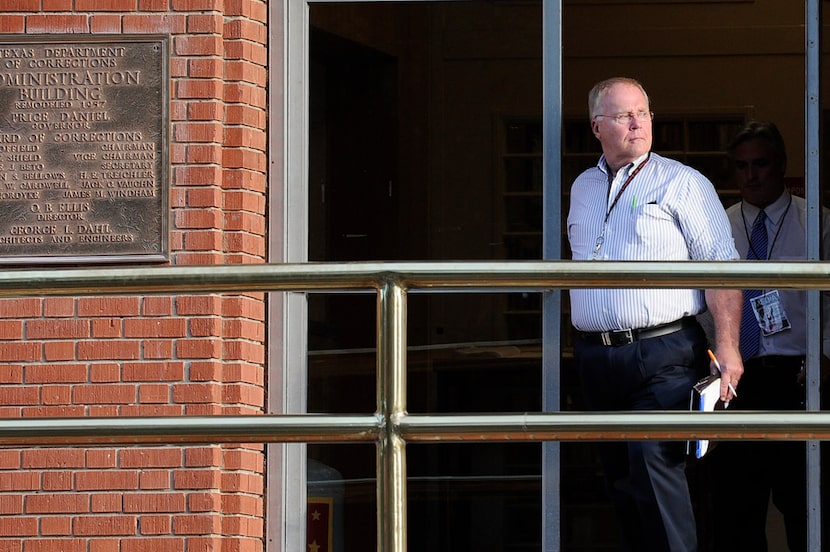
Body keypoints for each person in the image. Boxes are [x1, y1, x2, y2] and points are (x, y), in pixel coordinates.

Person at [566, 76, 744, 552]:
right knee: (621, 482)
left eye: (643, 112)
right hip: (596, 357)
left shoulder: (682, 182)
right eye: (624, 115)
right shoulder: (582, 185)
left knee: (654, 466)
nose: (637, 123)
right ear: (597, 126)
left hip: (663, 351)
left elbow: (721, 269)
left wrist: (727, 345)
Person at [705, 121, 830, 552]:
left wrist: (824, 358)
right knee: (737, 512)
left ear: (781, 165)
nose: (751, 175)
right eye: (741, 167)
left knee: (807, 509)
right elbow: (703, 301)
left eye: (760, 164)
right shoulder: (718, 226)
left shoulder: (816, 221)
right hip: (736, 381)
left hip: (800, 379)